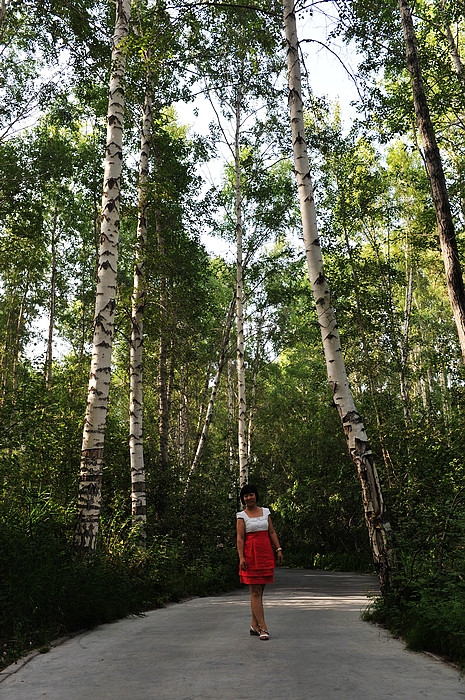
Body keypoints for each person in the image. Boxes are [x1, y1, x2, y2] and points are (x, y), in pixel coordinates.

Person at [236, 484, 283, 640]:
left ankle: (253, 625)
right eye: (246, 496)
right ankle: (263, 628)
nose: (249, 498)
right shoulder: (241, 516)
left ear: (256, 496)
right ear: (243, 499)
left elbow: (271, 532)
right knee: (255, 592)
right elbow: (240, 538)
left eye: (251, 495)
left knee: (259, 592)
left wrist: (278, 549)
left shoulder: (266, 512)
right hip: (250, 555)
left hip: (265, 554)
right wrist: (241, 557)